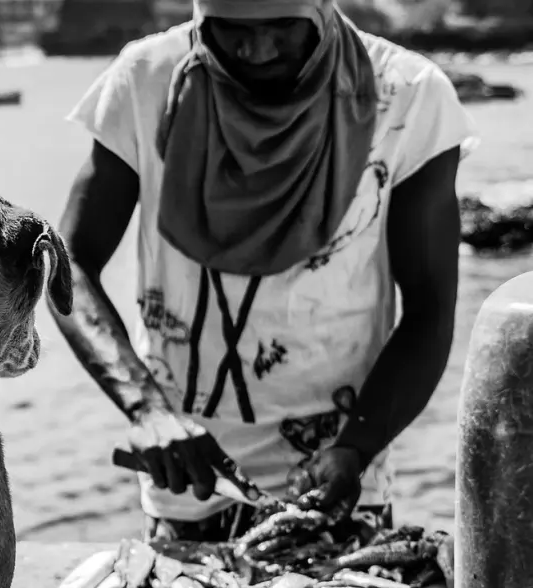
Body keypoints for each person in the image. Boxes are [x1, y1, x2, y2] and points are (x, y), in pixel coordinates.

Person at [49, 0, 478, 542]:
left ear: (321, 12)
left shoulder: (411, 96)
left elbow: (429, 308)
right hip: (187, 480)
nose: (256, 50)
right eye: (230, 31)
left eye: (282, 29)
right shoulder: (146, 79)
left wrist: (356, 448)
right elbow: (68, 261)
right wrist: (146, 409)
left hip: (340, 480)